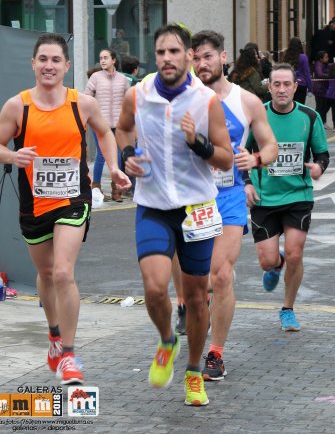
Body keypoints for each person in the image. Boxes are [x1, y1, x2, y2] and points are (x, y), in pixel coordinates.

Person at [0, 33, 131, 385]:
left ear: (66, 66)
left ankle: (68, 354)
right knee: (47, 274)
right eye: (43, 60)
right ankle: (54, 335)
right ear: (33, 64)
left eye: (56, 60)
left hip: (73, 199)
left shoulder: (81, 104)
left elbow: (105, 133)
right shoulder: (16, 106)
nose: (49, 66)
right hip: (34, 202)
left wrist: (113, 167)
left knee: (64, 272)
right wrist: (13, 155)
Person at [116, 23, 233, 407]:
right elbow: (123, 128)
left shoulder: (206, 102)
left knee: (198, 297)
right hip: (152, 204)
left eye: (175, 52)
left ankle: (194, 371)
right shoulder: (139, 93)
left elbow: (225, 156)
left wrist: (197, 143)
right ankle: (167, 338)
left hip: (196, 206)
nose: (168, 58)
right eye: (161, 52)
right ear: (156, 57)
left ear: (188, 56)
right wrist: (127, 155)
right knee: (153, 288)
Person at [191, 30, 277, 380]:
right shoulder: (183, 99)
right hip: (190, 199)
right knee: (199, 284)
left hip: (227, 196)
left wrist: (254, 160)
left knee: (221, 274)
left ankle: (216, 353)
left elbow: (270, 145)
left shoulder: (247, 101)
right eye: (195, 58)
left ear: (223, 57)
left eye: (208, 56)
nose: (201, 64)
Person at [246, 63, 329, 331]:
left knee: (295, 254)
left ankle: (288, 309)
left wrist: (319, 167)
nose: (282, 89)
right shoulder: (257, 117)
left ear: (296, 87)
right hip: (265, 198)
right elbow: (242, 153)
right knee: (267, 261)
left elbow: (322, 154)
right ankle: (275, 263)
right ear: (268, 87)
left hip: (298, 195)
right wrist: (247, 184)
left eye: (287, 84)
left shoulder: (310, 116)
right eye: (276, 84)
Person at [85, 48, 129, 202]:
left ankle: (116, 190)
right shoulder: (95, 78)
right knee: (102, 155)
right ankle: (96, 188)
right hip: (99, 124)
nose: (102, 60)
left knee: (116, 156)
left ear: (114, 60)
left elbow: (128, 101)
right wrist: (90, 117)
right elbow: (86, 98)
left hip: (118, 124)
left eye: (105, 57)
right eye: (100, 58)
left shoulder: (123, 79)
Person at [283, 37, 312, 104]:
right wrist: (310, 88)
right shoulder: (303, 57)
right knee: (300, 106)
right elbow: (307, 73)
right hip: (301, 84)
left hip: (290, 83)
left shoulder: (286, 57)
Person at [312, 51, 329, 127]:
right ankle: (315, 122)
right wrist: (329, 75)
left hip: (323, 88)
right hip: (319, 89)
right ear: (321, 59)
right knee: (320, 106)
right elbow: (320, 74)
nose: (328, 58)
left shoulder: (324, 64)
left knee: (324, 106)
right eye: (326, 57)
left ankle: (323, 122)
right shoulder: (318, 65)